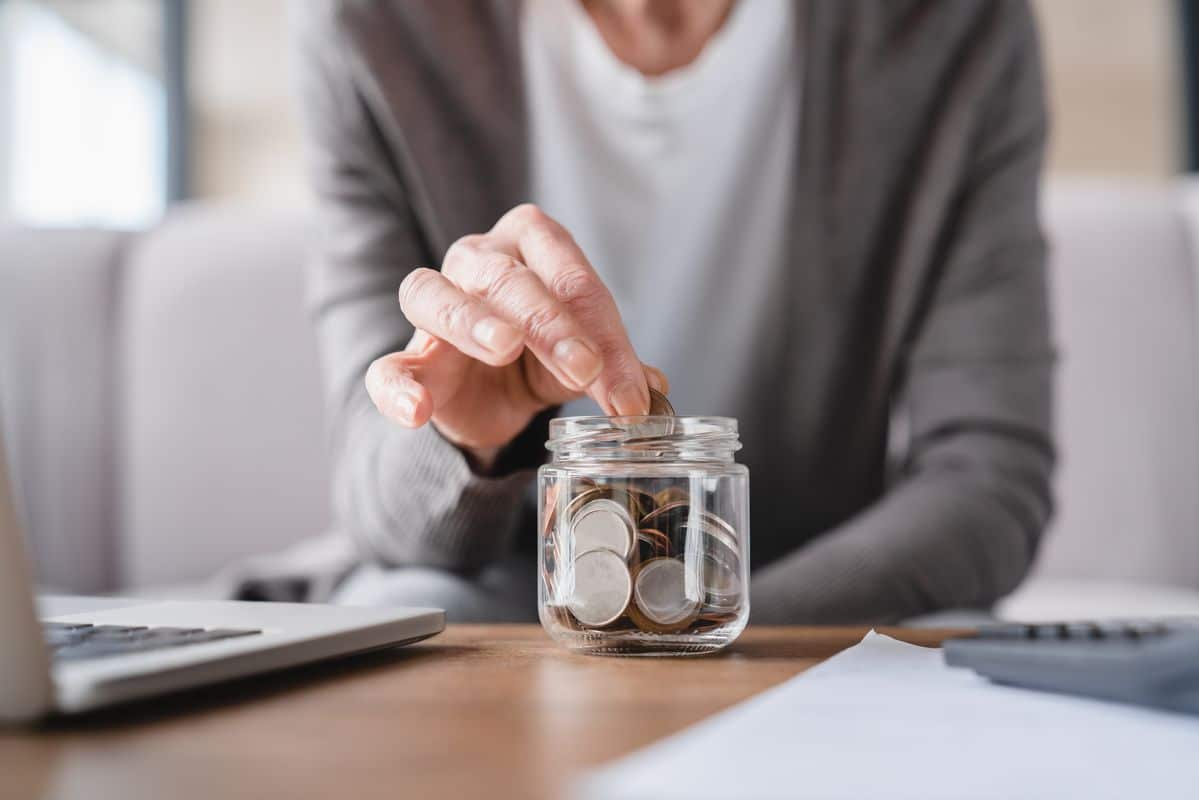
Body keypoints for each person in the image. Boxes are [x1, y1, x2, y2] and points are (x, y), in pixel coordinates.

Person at [291, 0, 1054, 623]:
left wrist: (694, 623)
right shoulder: (370, 28)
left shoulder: (955, 29)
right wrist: (459, 443)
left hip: (815, 592)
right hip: (495, 589)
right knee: (407, 614)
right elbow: (376, 506)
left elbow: (987, 478)